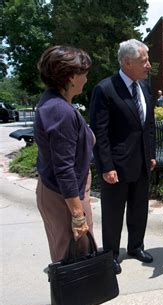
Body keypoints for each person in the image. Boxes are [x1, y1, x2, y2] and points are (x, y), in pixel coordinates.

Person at [90, 39, 156, 275]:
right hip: (116, 166)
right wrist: (106, 166)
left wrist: (151, 154)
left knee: (139, 209)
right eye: (143, 60)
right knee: (113, 213)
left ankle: (136, 246)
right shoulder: (105, 89)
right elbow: (100, 132)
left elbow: (148, 125)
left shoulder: (145, 88)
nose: (149, 65)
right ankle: (111, 255)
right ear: (127, 63)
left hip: (142, 163)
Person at [35, 46, 94, 262]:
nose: (86, 79)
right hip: (63, 197)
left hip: (64, 193)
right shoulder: (60, 111)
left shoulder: (55, 103)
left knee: (78, 257)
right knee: (71, 262)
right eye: (84, 73)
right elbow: (64, 168)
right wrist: (78, 217)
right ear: (70, 77)